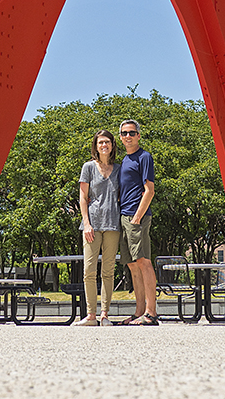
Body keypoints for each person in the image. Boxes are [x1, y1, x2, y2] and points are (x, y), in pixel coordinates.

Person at [75, 130, 121, 326]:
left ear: (112, 145)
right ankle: (91, 315)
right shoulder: (88, 167)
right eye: (101, 142)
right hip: (92, 224)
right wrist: (86, 223)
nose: (104, 145)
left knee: (108, 271)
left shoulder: (119, 168)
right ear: (96, 145)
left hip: (113, 225)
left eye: (107, 142)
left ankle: (104, 315)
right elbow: (83, 198)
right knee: (89, 270)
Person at [116, 118, 158, 325]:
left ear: (139, 135)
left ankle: (151, 313)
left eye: (132, 133)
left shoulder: (144, 157)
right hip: (123, 216)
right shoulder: (123, 160)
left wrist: (137, 217)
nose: (128, 136)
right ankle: (139, 311)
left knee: (144, 262)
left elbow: (149, 190)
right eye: (124, 133)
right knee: (132, 265)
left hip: (137, 216)